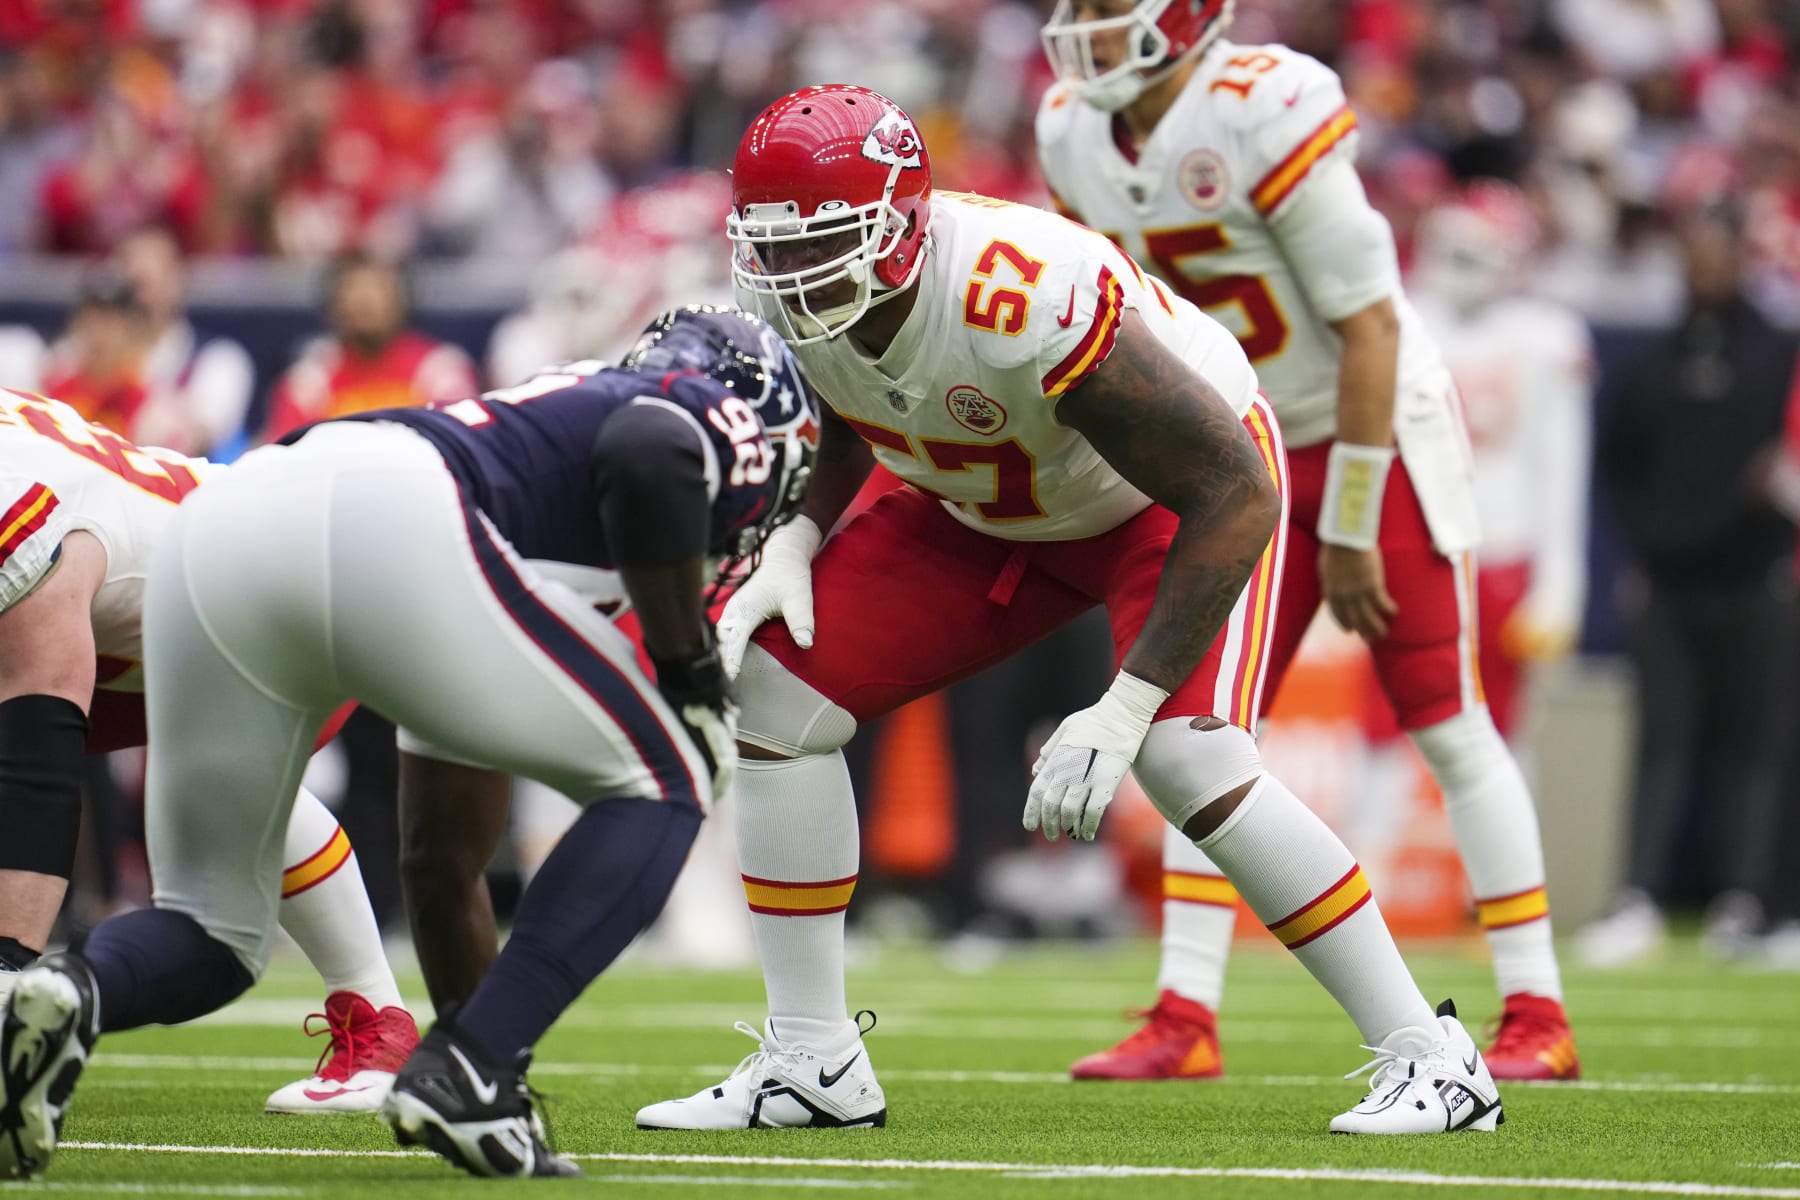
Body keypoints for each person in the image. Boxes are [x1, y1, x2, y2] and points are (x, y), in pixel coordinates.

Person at [636, 84, 1501, 1137]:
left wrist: (1125, 707)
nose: (792, 272)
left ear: (904, 225)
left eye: (823, 240)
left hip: (1165, 499)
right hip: (979, 497)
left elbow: (1237, 490)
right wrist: (798, 536)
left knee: (1191, 760)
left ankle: (1433, 1057)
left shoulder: (1022, 293)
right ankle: (812, 1061)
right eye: (771, 246)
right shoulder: (809, 290)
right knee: (774, 698)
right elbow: (849, 393)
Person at [0, 306, 820, 1181]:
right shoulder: (693, 407)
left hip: (236, 518)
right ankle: (470, 1068)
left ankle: (69, 995)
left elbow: (440, 858)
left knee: (215, 933)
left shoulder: (542, 468)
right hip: (394, 509)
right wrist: (690, 669)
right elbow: (649, 455)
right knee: (674, 770)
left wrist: (483, 1057)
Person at [1034, 0, 1577, 1083]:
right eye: (1078, 7)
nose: (1083, 28)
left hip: (1365, 426)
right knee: (1195, 732)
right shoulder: (1069, 128)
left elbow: (1370, 324)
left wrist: (1354, 517)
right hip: (1235, 452)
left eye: (1108, 8)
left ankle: (1537, 1011)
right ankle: (1185, 1012)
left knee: (1447, 717)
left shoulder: (1267, 105)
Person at [0, 385, 418, 1116]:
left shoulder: (17, 512)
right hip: (188, 592)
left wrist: (8, 967)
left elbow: (40, 751)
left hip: (271, 597)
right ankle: (379, 1021)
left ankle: (381, 1024)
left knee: (216, 906)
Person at [1581, 203, 1800, 966]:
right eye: (1693, 254)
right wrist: (1655, 542)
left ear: (1742, 257)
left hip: (1760, 579)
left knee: (1761, 746)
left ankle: (1749, 901)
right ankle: (1638, 897)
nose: (1703, 268)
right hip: (1669, 583)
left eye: (1716, 254)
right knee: (1662, 742)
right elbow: (1614, 462)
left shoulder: (1779, 352)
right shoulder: (1651, 361)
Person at [1408, 184, 1593, 742]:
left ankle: (1506, 833)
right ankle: (1374, 833)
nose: (1454, 271)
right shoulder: (1403, 322)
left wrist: (1561, 580)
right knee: (1388, 718)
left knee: (1501, 726)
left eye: (1472, 255)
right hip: (1410, 547)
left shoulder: (1545, 337)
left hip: (1503, 548)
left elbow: (1563, 468)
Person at [262, 254, 479, 442]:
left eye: (378, 289)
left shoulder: (439, 369)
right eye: (353, 290)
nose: (365, 301)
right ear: (333, 305)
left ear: (402, 300)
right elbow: (287, 454)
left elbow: (458, 445)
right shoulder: (309, 381)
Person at [114, 225, 257, 460]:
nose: (141, 299)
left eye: (151, 281)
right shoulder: (75, 357)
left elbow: (199, 438)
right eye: (133, 285)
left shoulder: (218, 360)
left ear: (178, 279)